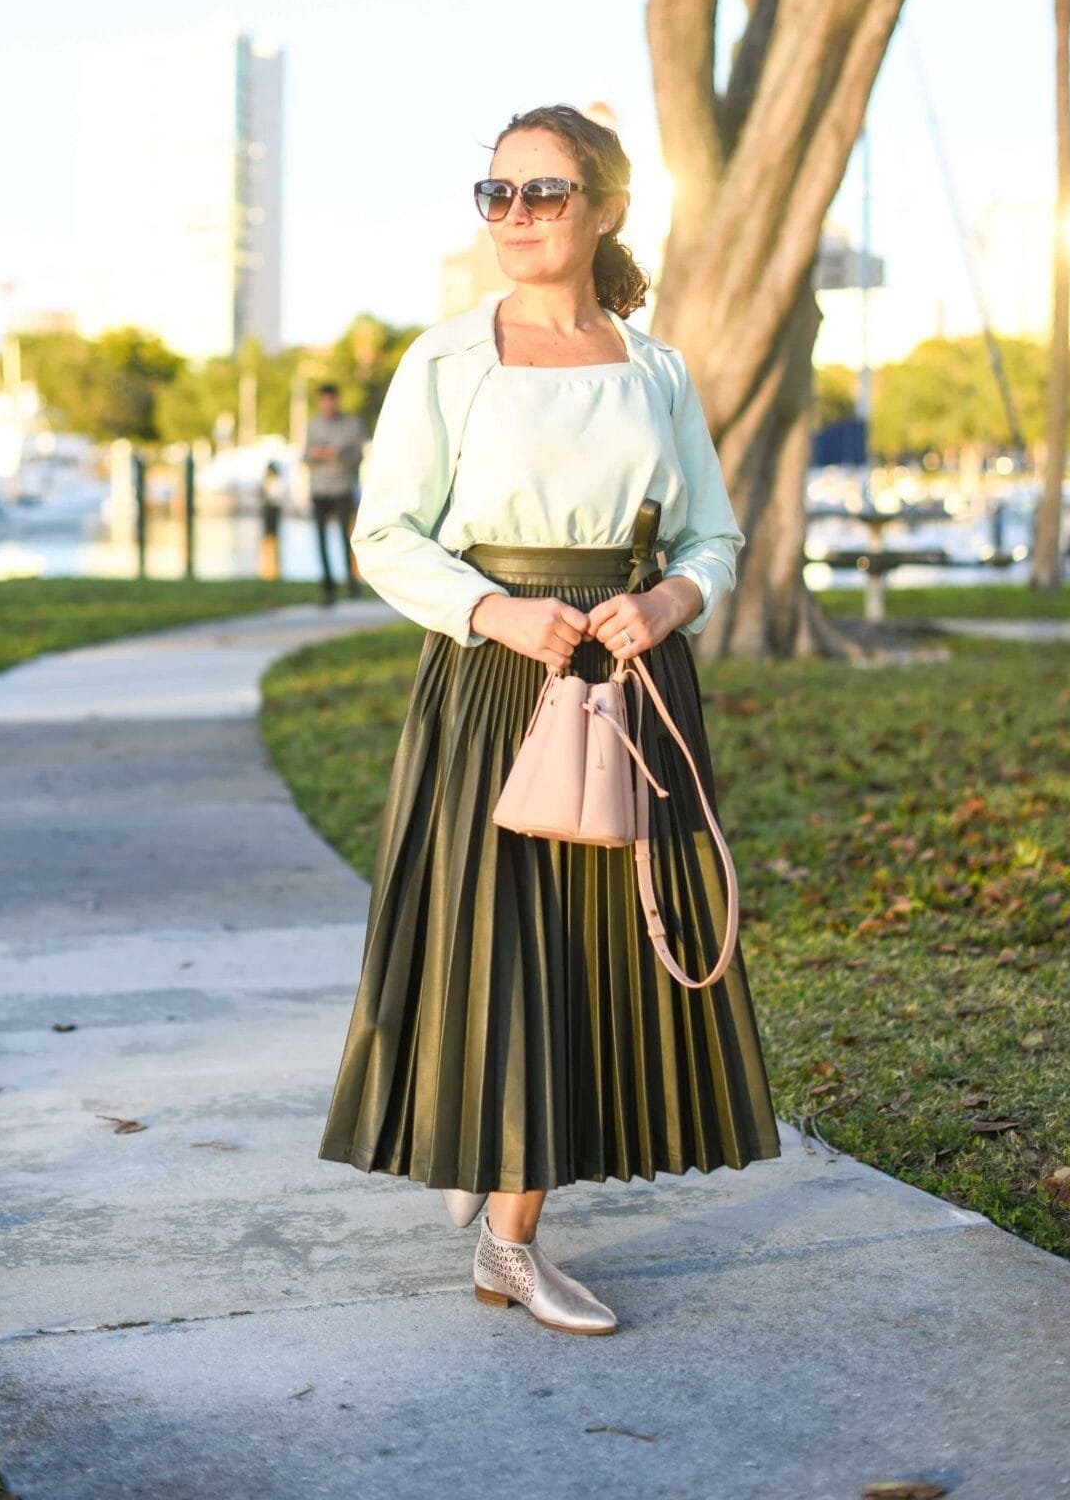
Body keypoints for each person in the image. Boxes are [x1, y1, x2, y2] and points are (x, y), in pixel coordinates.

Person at [318, 104, 781, 1337]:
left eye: (543, 194)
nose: (514, 217)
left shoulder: (654, 367)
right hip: (495, 682)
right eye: (496, 194)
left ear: (606, 209)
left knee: (595, 953)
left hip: (629, 682)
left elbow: (713, 536)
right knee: (504, 947)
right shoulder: (447, 360)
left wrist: (674, 598)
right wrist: (488, 612)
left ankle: (504, 1205)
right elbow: (385, 533)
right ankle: (507, 1231)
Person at [302, 384, 366, 605]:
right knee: (320, 538)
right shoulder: (313, 426)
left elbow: (357, 456)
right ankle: (327, 584)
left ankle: (351, 581)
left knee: (345, 537)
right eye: (324, 400)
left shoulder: (352, 425)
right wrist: (318, 454)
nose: (328, 405)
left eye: (331, 400)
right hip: (319, 490)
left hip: (343, 489)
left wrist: (337, 454)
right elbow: (305, 457)